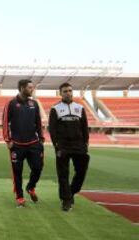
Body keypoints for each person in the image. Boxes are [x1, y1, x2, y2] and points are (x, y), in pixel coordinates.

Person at [2, 79, 44, 207]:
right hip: (17, 145)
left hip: (33, 143)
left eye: (32, 87)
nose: (32, 89)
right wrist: (7, 140)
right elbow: (4, 122)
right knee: (17, 173)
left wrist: (41, 138)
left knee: (38, 168)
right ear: (21, 88)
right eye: (30, 87)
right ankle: (20, 197)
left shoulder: (34, 104)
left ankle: (30, 187)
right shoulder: (11, 103)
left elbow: (39, 122)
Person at [49, 82, 90, 211]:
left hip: (79, 146)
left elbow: (84, 127)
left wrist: (86, 143)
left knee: (81, 172)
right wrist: (56, 145)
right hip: (63, 147)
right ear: (60, 93)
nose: (68, 93)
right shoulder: (55, 109)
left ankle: (71, 192)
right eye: (65, 91)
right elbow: (52, 129)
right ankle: (66, 201)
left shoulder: (80, 108)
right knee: (63, 175)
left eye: (70, 91)